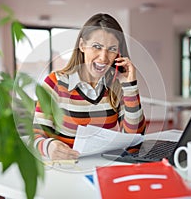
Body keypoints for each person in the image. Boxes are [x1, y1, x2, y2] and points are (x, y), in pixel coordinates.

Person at [33, 13, 146, 160]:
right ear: (82, 46)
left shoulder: (117, 86)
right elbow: (35, 135)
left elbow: (134, 139)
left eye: (112, 49)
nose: (103, 57)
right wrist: (48, 147)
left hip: (104, 167)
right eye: (97, 47)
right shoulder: (55, 83)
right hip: (67, 168)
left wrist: (130, 87)